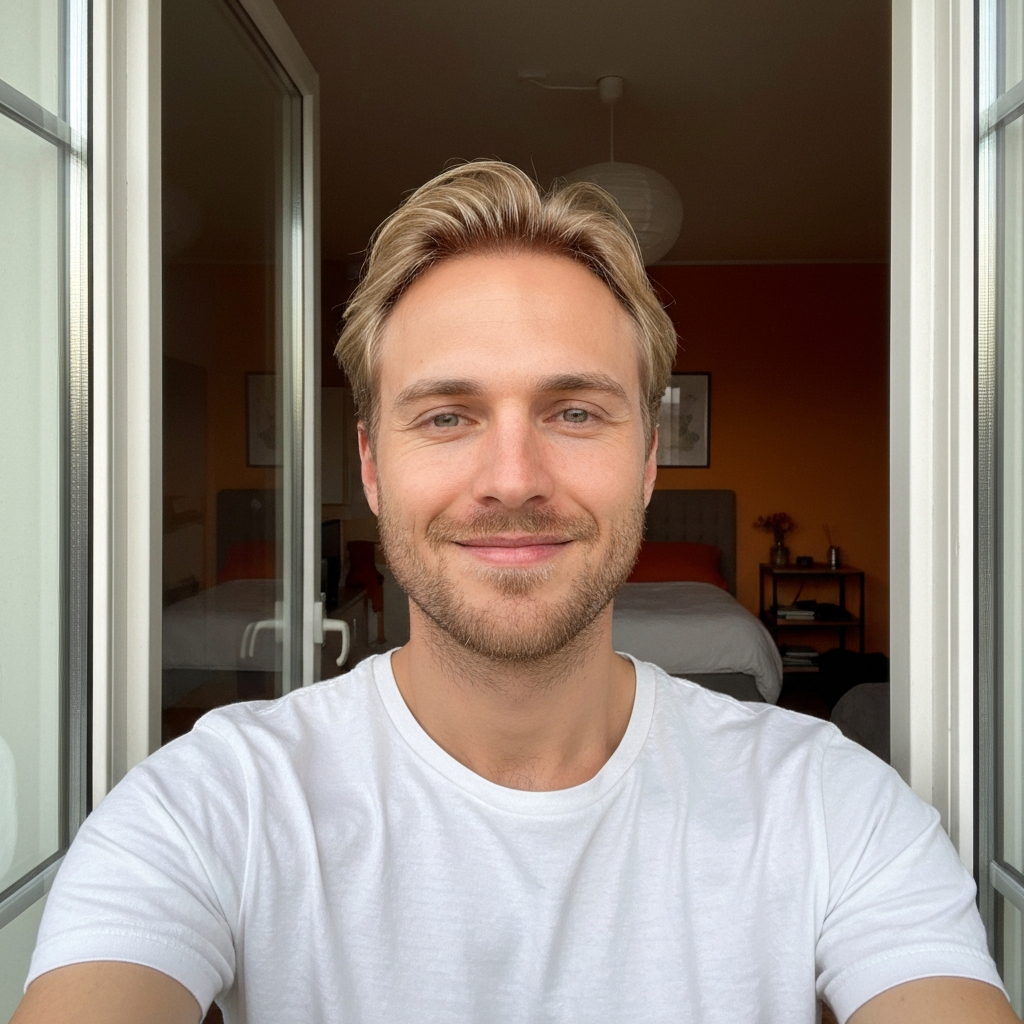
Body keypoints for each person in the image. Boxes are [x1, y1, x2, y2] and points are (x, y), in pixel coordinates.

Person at [12, 162, 1018, 1024]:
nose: (511, 479)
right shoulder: (211, 802)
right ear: (371, 467)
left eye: (574, 411)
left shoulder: (831, 803)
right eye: (446, 416)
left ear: (648, 461)